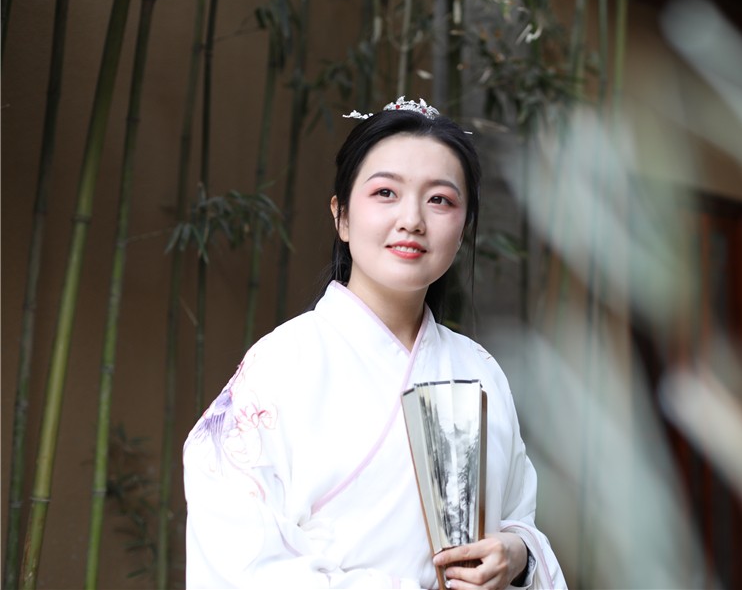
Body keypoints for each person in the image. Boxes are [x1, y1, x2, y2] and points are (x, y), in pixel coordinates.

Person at [183, 97, 566, 589]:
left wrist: (517, 555)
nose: (412, 219)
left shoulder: (480, 369)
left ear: (463, 229)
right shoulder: (282, 364)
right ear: (341, 216)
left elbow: (517, 519)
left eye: (440, 200)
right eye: (386, 192)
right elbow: (238, 556)